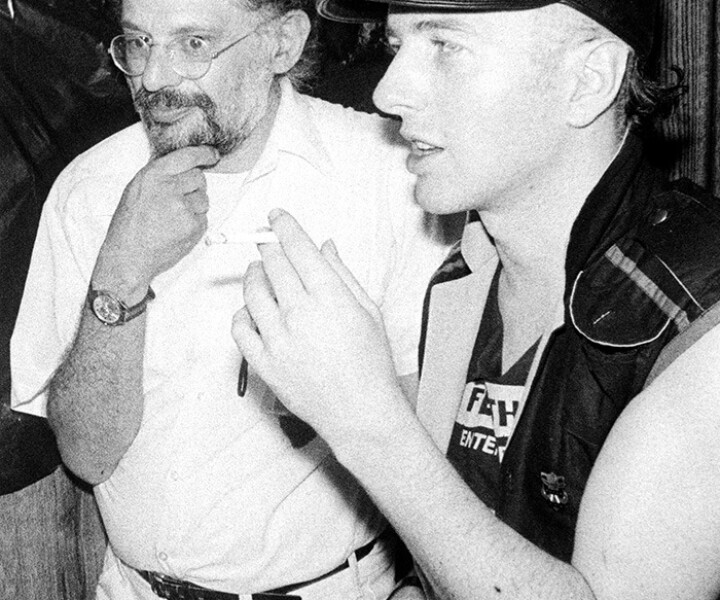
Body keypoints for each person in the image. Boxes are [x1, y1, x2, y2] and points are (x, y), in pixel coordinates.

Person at [230, 1, 720, 599]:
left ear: (587, 80)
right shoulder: (465, 268)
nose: (387, 92)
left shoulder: (701, 326)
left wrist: (366, 421)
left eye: (446, 46)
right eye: (397, 45)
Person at [9, 0, 452, 598]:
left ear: (282, 43)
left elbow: (436, 445)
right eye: (139, 43)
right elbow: (87, 457)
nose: (155, 78)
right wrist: (119, 276)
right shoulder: (89, 190)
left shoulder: (391, 179)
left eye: (193, 44)